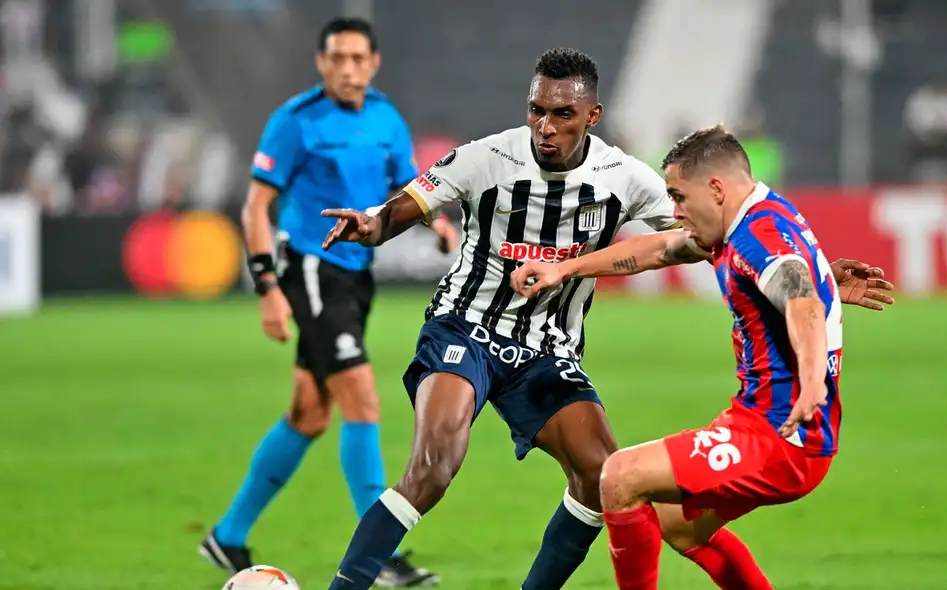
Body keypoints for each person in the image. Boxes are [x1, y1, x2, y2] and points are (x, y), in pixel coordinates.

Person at [319, 50, 891, 589]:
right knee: (434, 467)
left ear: (591, 116)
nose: (546, 126)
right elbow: (404, 207)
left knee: (603, 478)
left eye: (562, 114)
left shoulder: (626, 178)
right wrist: (370, 225)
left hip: (547, 349)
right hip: (465, 328)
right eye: (537, 111)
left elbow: (692, 241)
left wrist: (804, 275)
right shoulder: (486, 158)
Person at [510, 125, 895, 589]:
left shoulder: (757, 235)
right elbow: (660, 249)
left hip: (782, 435)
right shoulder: (750, 217)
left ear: (715, 189)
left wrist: (812, 382)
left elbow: (802, 298)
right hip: (762, 421)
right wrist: (564, 269)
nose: (674, 211)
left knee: (620, 476)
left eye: (679, 196)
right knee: (678, 523)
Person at [200, 17, 454, 588]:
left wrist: (436, 222)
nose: (346, 68)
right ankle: (381, 552)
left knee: (310, 413)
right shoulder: (295, 121)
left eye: (357, 58)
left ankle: (228, 535)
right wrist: (267, 287)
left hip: (355, 276)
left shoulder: (386, 116)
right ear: (321, 62)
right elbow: (255, 207)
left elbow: (409, 184)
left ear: (373, 63)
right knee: (362, 400)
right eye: (336, 58)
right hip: (311, 270)